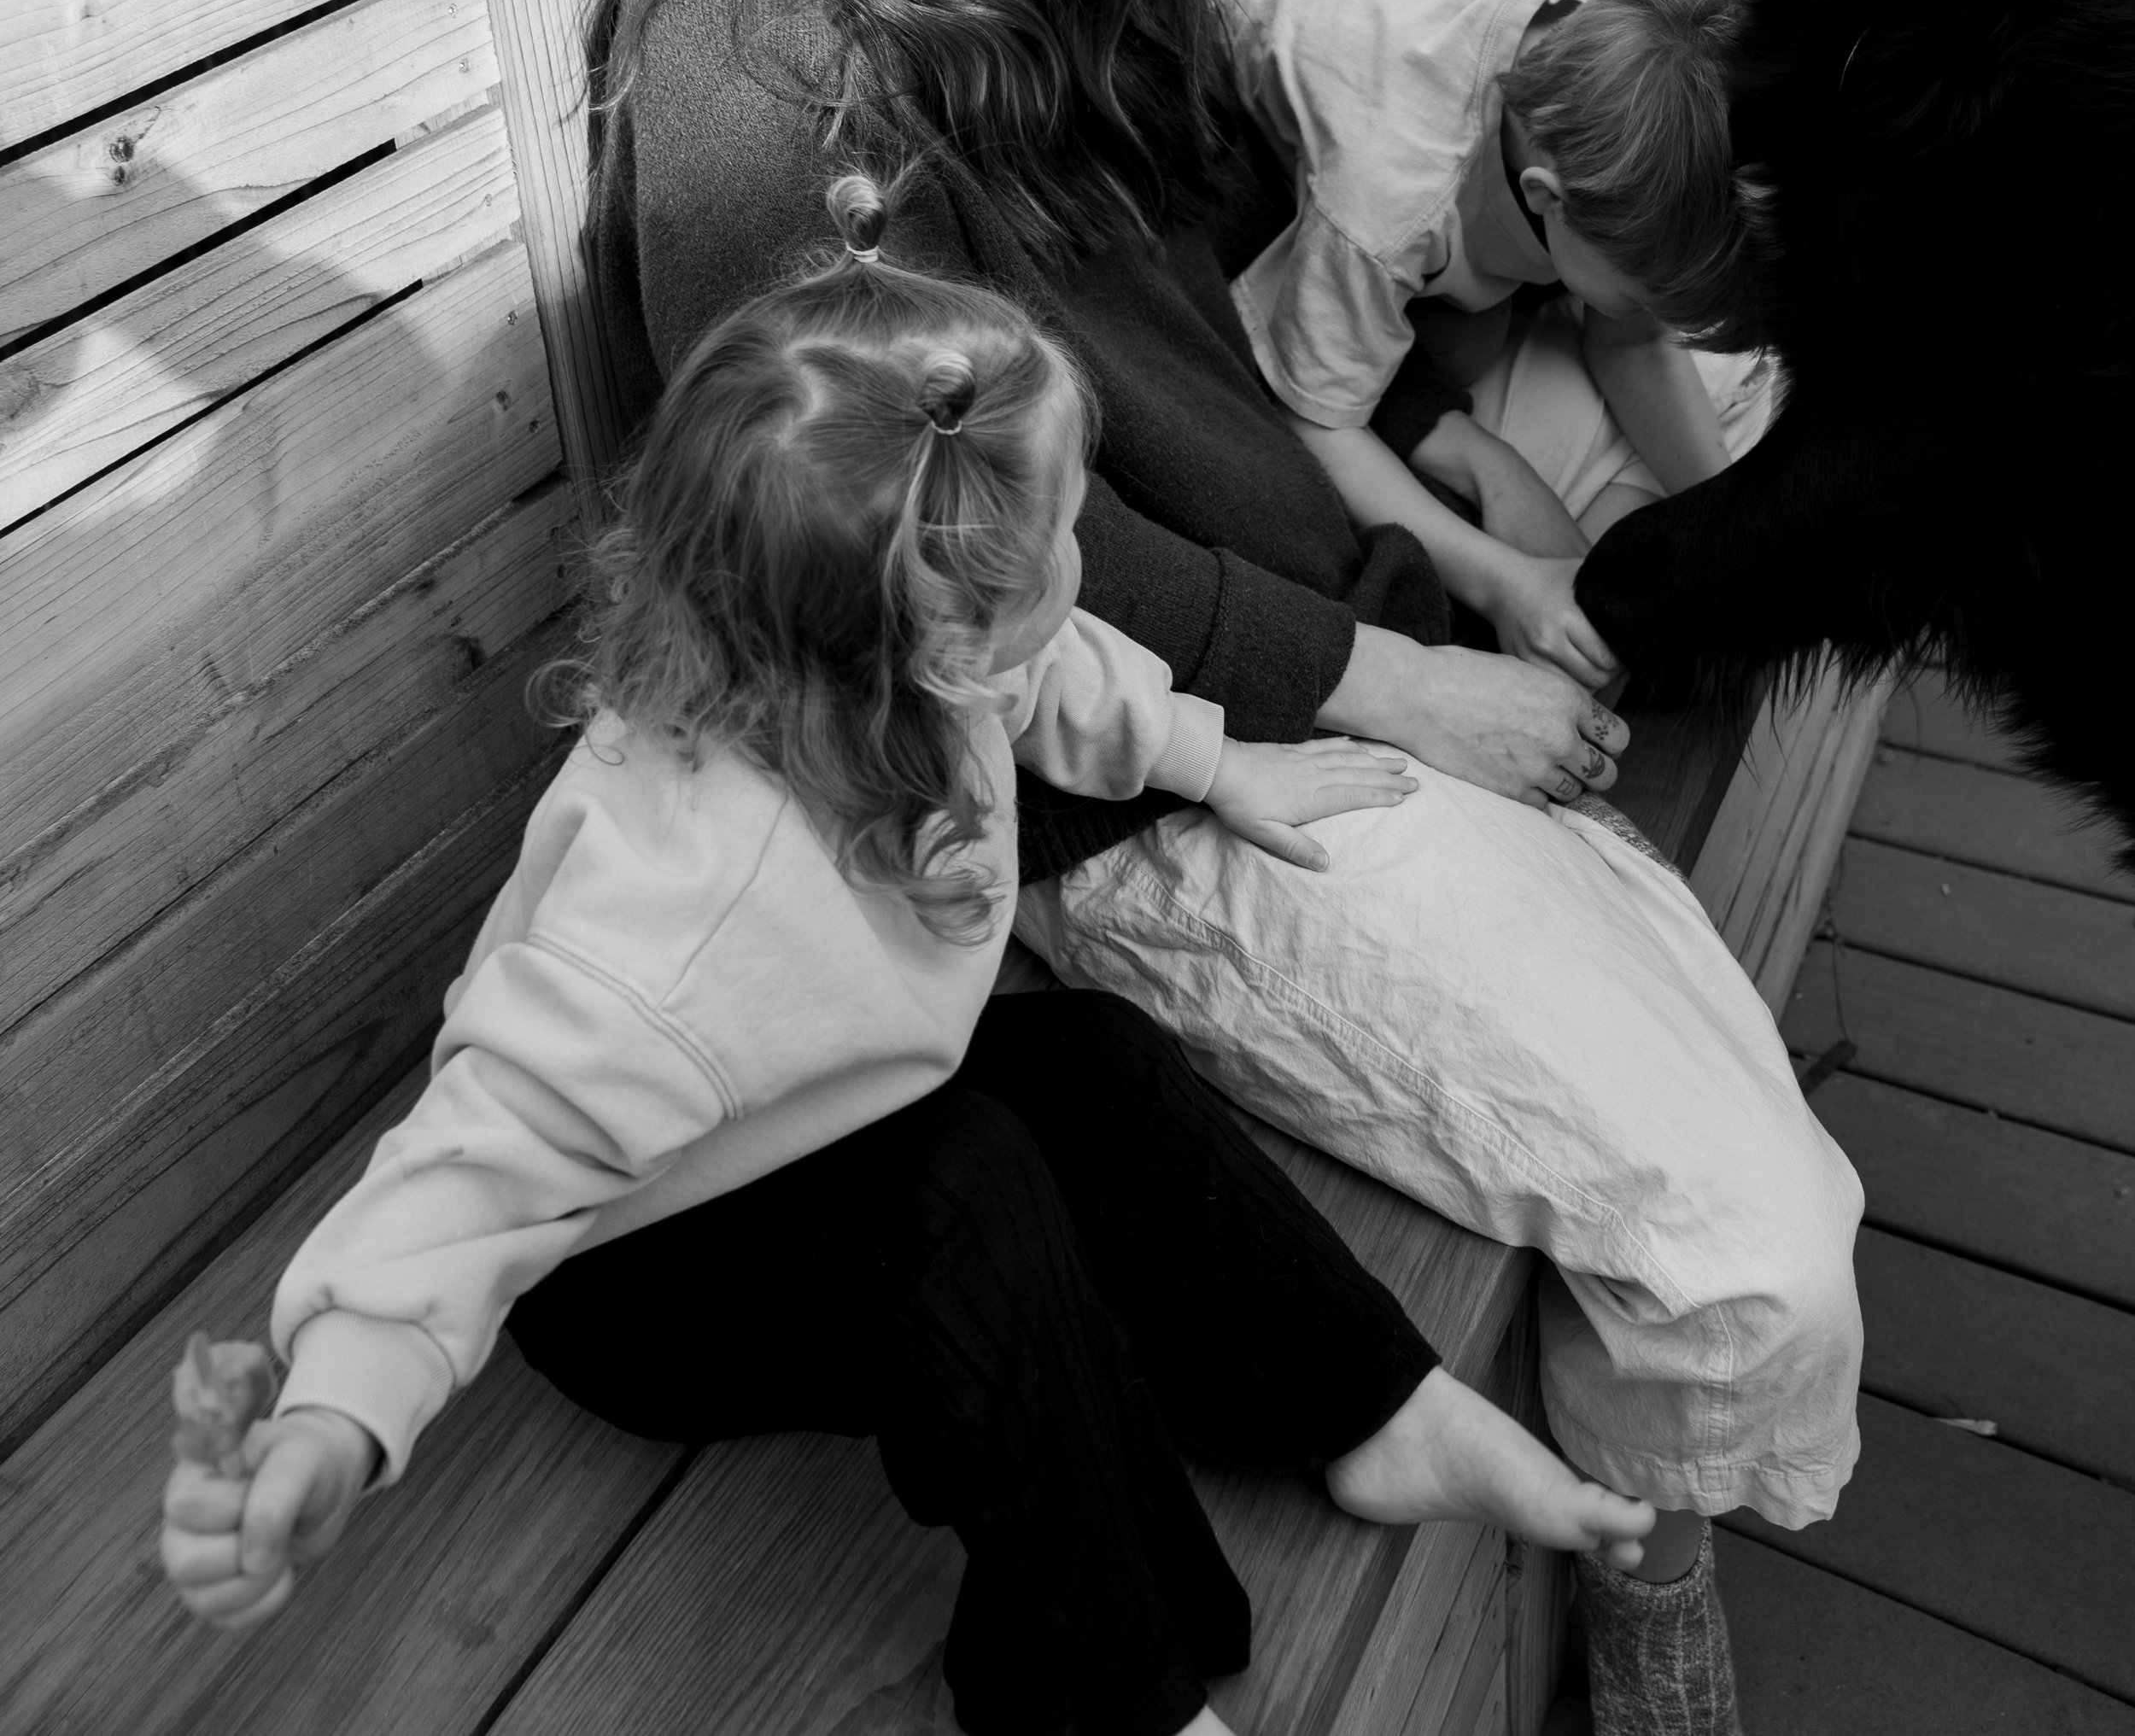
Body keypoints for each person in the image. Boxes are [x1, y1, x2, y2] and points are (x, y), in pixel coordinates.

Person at [584, 0, 1864, 1736]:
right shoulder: (739, 47)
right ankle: (1645, 1587)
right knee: (1762, 1247)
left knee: (1760, 1119)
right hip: (1145, 771)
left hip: (1322, 607)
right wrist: (1395, 680)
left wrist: (1435, 476)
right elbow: (932, 558)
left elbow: (1234, 273)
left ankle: (1622, 1473)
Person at [156, 209, 1657, 1736]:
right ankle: (1098, 1703)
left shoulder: (891, 654)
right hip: (634, 1257)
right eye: (1066, 534)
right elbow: (468, 1177)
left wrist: (1218, 761)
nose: (1083, 555)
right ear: (944, 650)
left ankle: (1371, 1408)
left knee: (1103, 1065)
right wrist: (329, 1418)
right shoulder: (665, 924)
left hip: (800, 1114)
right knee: (968, 1205)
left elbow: (1053, 667)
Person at [1217, 0, 1778, 687]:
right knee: (1459, 351)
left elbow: (1632, 340)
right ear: (1550, 197)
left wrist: (1738, 539)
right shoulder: (1394, 207)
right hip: (1222, 151)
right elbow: (1316, 422)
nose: (1661, 319)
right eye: (1645, 297)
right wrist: (1503, 581)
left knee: (1725, 375)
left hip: (1372, 21)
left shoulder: (1632, 80)